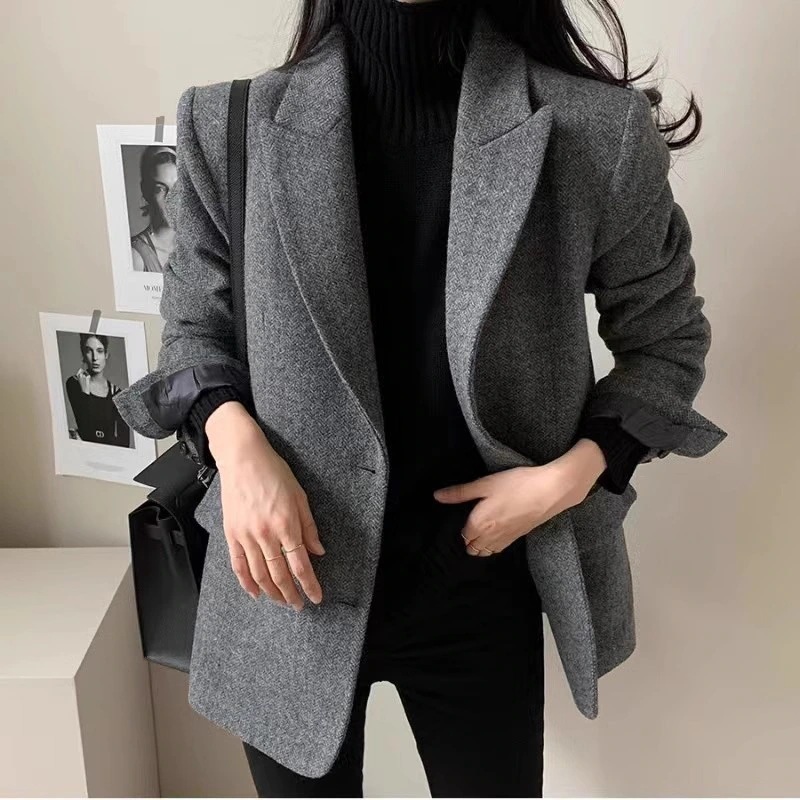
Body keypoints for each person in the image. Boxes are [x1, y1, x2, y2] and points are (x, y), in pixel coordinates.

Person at [111, 0, 728, 796]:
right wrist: (237, 447)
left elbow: (667, 341)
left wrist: (566, 479)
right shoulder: (228, 122)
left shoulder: (592, 130)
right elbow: (194, 334)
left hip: (483, 576)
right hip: (286, 582)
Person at [66, 333, 130, 448]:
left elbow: (124, 442)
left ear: (106, 355)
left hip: (108, 454)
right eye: (89, 351)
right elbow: (86, 428)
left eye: (99, 351)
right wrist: (85, 393)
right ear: (83, 355)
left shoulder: (117, 393)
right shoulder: (74, 383)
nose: (95, 357)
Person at [130, 144, 177, 273]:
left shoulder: (196, 247)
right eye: (160, 189)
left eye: (177, 188)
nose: (171, 198)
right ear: (146, 191)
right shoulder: (135, 257)